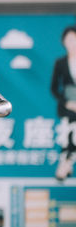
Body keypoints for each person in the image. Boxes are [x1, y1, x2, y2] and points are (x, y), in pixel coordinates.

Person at [51, 25, 76, 181]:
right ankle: (65, 164)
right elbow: (54, 88)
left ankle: (66, 165)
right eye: (69, 40)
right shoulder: (60, 63)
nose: (72, 43)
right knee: (69, 136)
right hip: (68, 108)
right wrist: (68, 103)